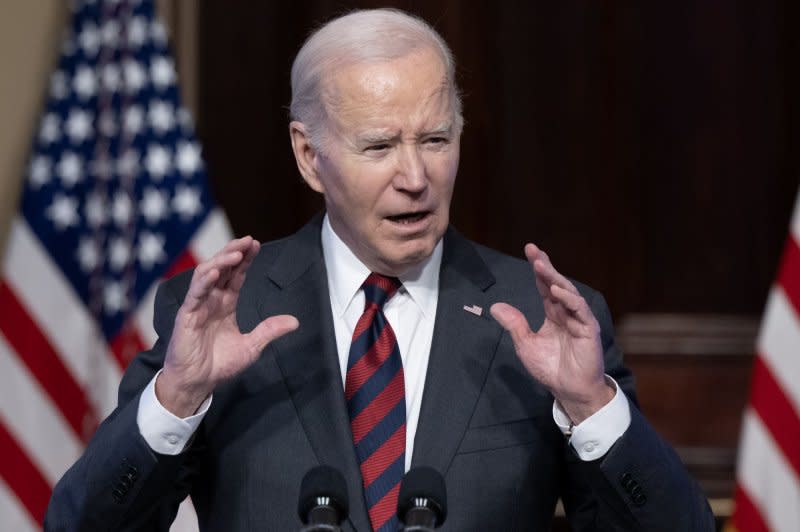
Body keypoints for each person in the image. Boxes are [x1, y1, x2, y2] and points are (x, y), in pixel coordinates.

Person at [46, 8, 714, 531]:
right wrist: (177, 399)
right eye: (379, 146)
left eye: (435, 139)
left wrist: (592, 409)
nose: (416, 178)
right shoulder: (228, 314)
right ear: (311, 157)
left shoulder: (545, 319)